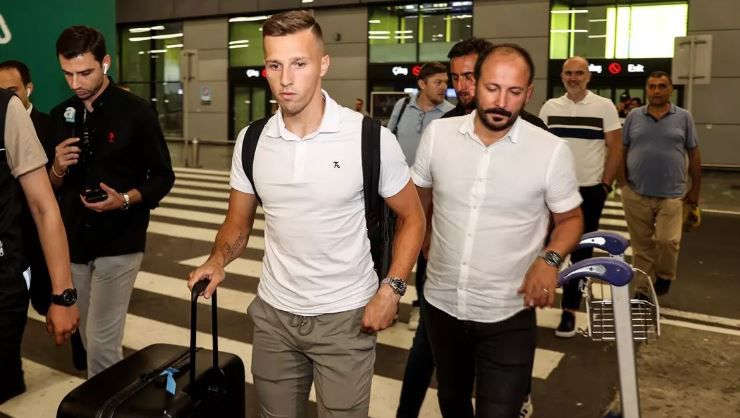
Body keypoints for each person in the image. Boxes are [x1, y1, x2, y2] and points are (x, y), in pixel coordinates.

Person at [187, 11, 425, 417]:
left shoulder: (369, 138)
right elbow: (237, 222)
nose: (286, 79)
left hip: (346, 318)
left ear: (323, 64)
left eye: (299, 63)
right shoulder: (253, 140)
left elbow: (413, 218)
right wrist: (218, 259)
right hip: (274, 317)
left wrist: (392, 289)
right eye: (275, 65)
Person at [412, 43, 583, 418]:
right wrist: (424, 239)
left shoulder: (549, 150)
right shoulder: (438, 135)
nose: (501, 102)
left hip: (508, 312)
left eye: (514, 91)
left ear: (529, 93)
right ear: (474, 83)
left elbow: (570, 220)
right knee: (452, 402)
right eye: (492, 88)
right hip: (443, 306)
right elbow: (419, 201)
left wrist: (549, 259)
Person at [48, 26, 175, 378]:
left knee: (102, 341)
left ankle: (105, 404)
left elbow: (162, 177)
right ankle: (110, 397)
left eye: (85, 72)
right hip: (74, 241)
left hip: (121, 239)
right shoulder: (60, 115)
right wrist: (57, 168)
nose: (76, 83)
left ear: (105, 63)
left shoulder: (136, 112)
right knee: (88, 337)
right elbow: (48, 187)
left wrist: (125, 200)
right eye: (67, 73)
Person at [0, 60, 88, 371]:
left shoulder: (19, 115)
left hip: (19, 254)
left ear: (28, 88)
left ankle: (82, 353)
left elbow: (45, 204)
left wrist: (63, 296)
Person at [539, 56, 622, 338]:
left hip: (588, 191)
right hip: (553, 191)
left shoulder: (604, 107)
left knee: (581, 252)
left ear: (588, 76)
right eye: (569, 73)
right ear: (562, 77)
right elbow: (540, 147)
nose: (574, 78)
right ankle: (538, 296)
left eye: (579, 73)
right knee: (547, 247)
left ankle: (569, 310)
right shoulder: (550, 108)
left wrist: (605, 185)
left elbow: (616, 147)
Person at [619, 71, 701, 297]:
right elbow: (622, 149)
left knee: (668, 241)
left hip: (673, 194)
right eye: (652, 86)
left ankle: (664, 275)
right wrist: (623, 183)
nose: (656, 91)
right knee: (641, 246)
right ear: (646, 89)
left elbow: (694, 153)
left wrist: (695, 189)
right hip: (636, 192)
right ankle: (642, 288)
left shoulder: (683, 117)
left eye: (662, 86)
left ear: (670, 89)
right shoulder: (634, 116)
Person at [387, 62, 453, 332]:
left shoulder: (450, 114)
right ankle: (389, 300)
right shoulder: (402, 106)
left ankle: (420, 307)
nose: (444, 87)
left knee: (426, 251)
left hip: (431, 194)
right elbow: (388, 140)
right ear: (422, 84)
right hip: (397, 189)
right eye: (438, 82)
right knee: (392, 247)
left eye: (445, 82)